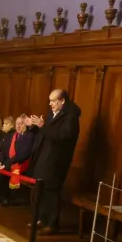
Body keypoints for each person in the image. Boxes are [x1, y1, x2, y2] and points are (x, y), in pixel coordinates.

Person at [30, 89, 82, 234]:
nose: (50, 104)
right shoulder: (53, 113)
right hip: (45, 156)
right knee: (41, 188)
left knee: (51, 190)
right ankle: (42, 219)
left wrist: (42, 126)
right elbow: (45, 133)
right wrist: (33, 127)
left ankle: (52, 224)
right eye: (50, 100)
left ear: (62, 101)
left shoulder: (71, 116)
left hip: (57, 159)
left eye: (53, 101)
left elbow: (62, 136)